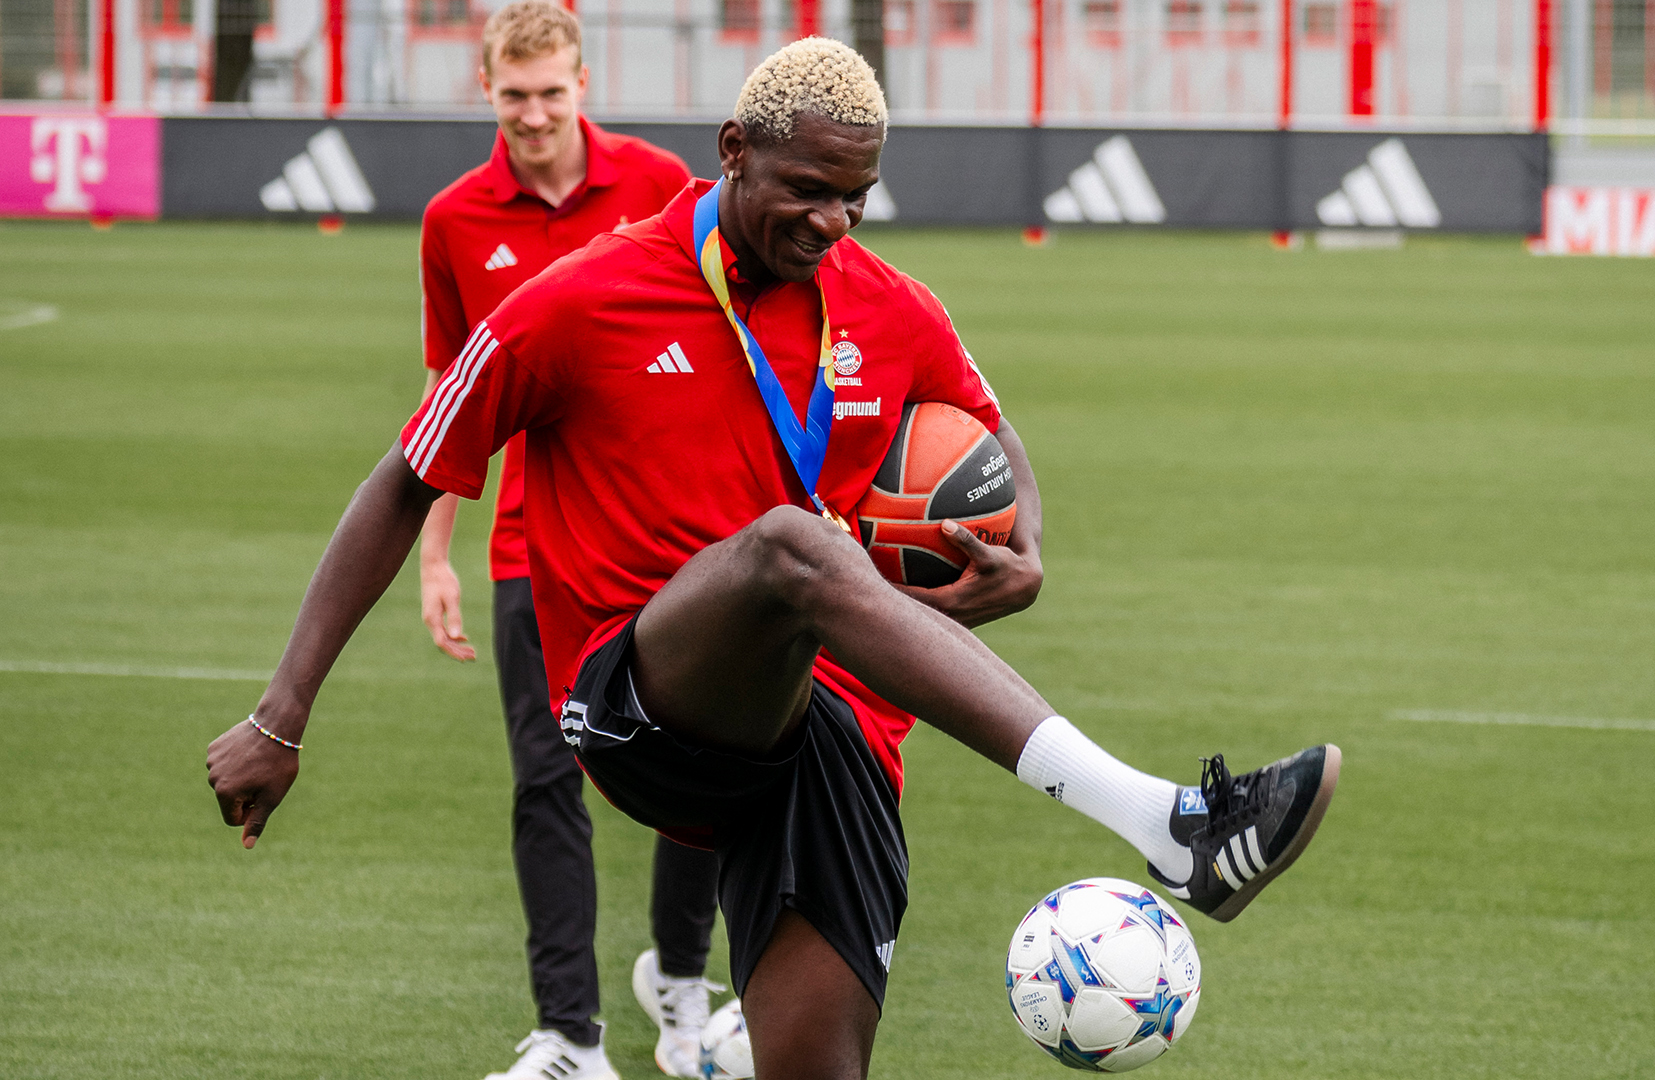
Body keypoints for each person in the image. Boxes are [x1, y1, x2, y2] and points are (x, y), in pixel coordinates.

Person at [207, 38, 1340, 1080]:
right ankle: (1170, 825)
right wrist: (279, 716)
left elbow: (988, 429)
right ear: (735, 153)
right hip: (640, 701)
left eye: (858, 196)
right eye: (809, 190)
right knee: (792, 553)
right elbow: (405, 477)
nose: (836, 221)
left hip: (829, 746)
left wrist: (1021, 541)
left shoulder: (891, 308)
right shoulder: (578, 302)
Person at [412, 3, 722, 1076]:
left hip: (672, 544)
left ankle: (683, 990)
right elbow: (451, 392)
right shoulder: (454, 220)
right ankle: (570, 1039)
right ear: (486, 90)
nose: (534, 114)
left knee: (702, 765)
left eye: (552, 92)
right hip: (530, 553)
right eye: (514, 95)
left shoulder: (662, 189)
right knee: (546, 778)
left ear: (583, 85)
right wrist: (435, 549)